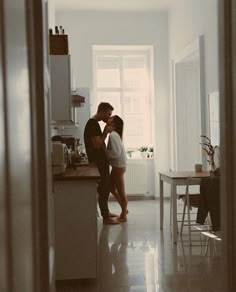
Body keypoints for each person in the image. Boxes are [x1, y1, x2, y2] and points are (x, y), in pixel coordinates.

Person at [84, 102, 120, 224]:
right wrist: (105, 131)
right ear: (102, 112)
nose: (109, 117)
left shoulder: (94, 124)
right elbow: (97, 144)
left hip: (101, 162)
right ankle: (106, 217)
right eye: (108, 114)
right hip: (98, 162)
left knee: (104, 188)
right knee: (104, 188)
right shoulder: (92, 124)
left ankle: (106, 212)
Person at [106, 115, 128, 222]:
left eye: (111, 118)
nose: (108, 118)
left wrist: (104, 152)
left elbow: (115, 153)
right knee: (111, 188)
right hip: (119, 166)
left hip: (118, 166)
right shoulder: (114, 134)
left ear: (113, 123)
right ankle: (124, 209)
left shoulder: (113, 135)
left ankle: (123, 215)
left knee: (121, 192)